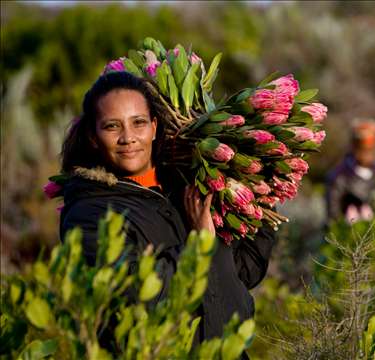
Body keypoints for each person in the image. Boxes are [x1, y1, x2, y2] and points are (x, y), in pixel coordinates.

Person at [59, 71, 275, 356]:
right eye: (112, 127)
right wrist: (197, 247)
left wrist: (260, 205)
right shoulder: (89, 213)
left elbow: (245, 271)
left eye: (138, 123)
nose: (128, 138)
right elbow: (130, 297)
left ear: (155, 126)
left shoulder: (185, 191)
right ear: (93, 136)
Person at [325, 118, 375, 224]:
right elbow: (332, 218)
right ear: (354, 147)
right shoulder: (338, 177)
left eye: (371, 149)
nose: (367, 155)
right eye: (363, 149)